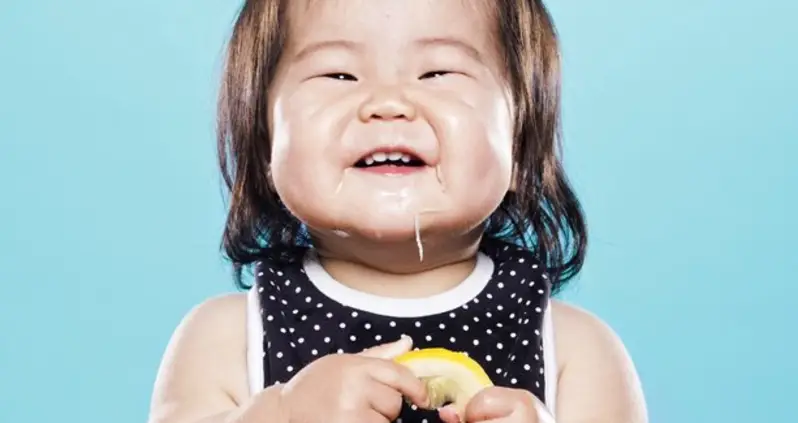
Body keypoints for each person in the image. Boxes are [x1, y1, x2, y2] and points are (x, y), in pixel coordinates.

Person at [148, 1, 648, 422]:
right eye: (338, 74)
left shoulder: (575, 350)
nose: (387, 103)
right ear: (265, 145)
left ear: (520, 143)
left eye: (437, 73)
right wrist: (281, 413)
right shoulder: (227, 337)